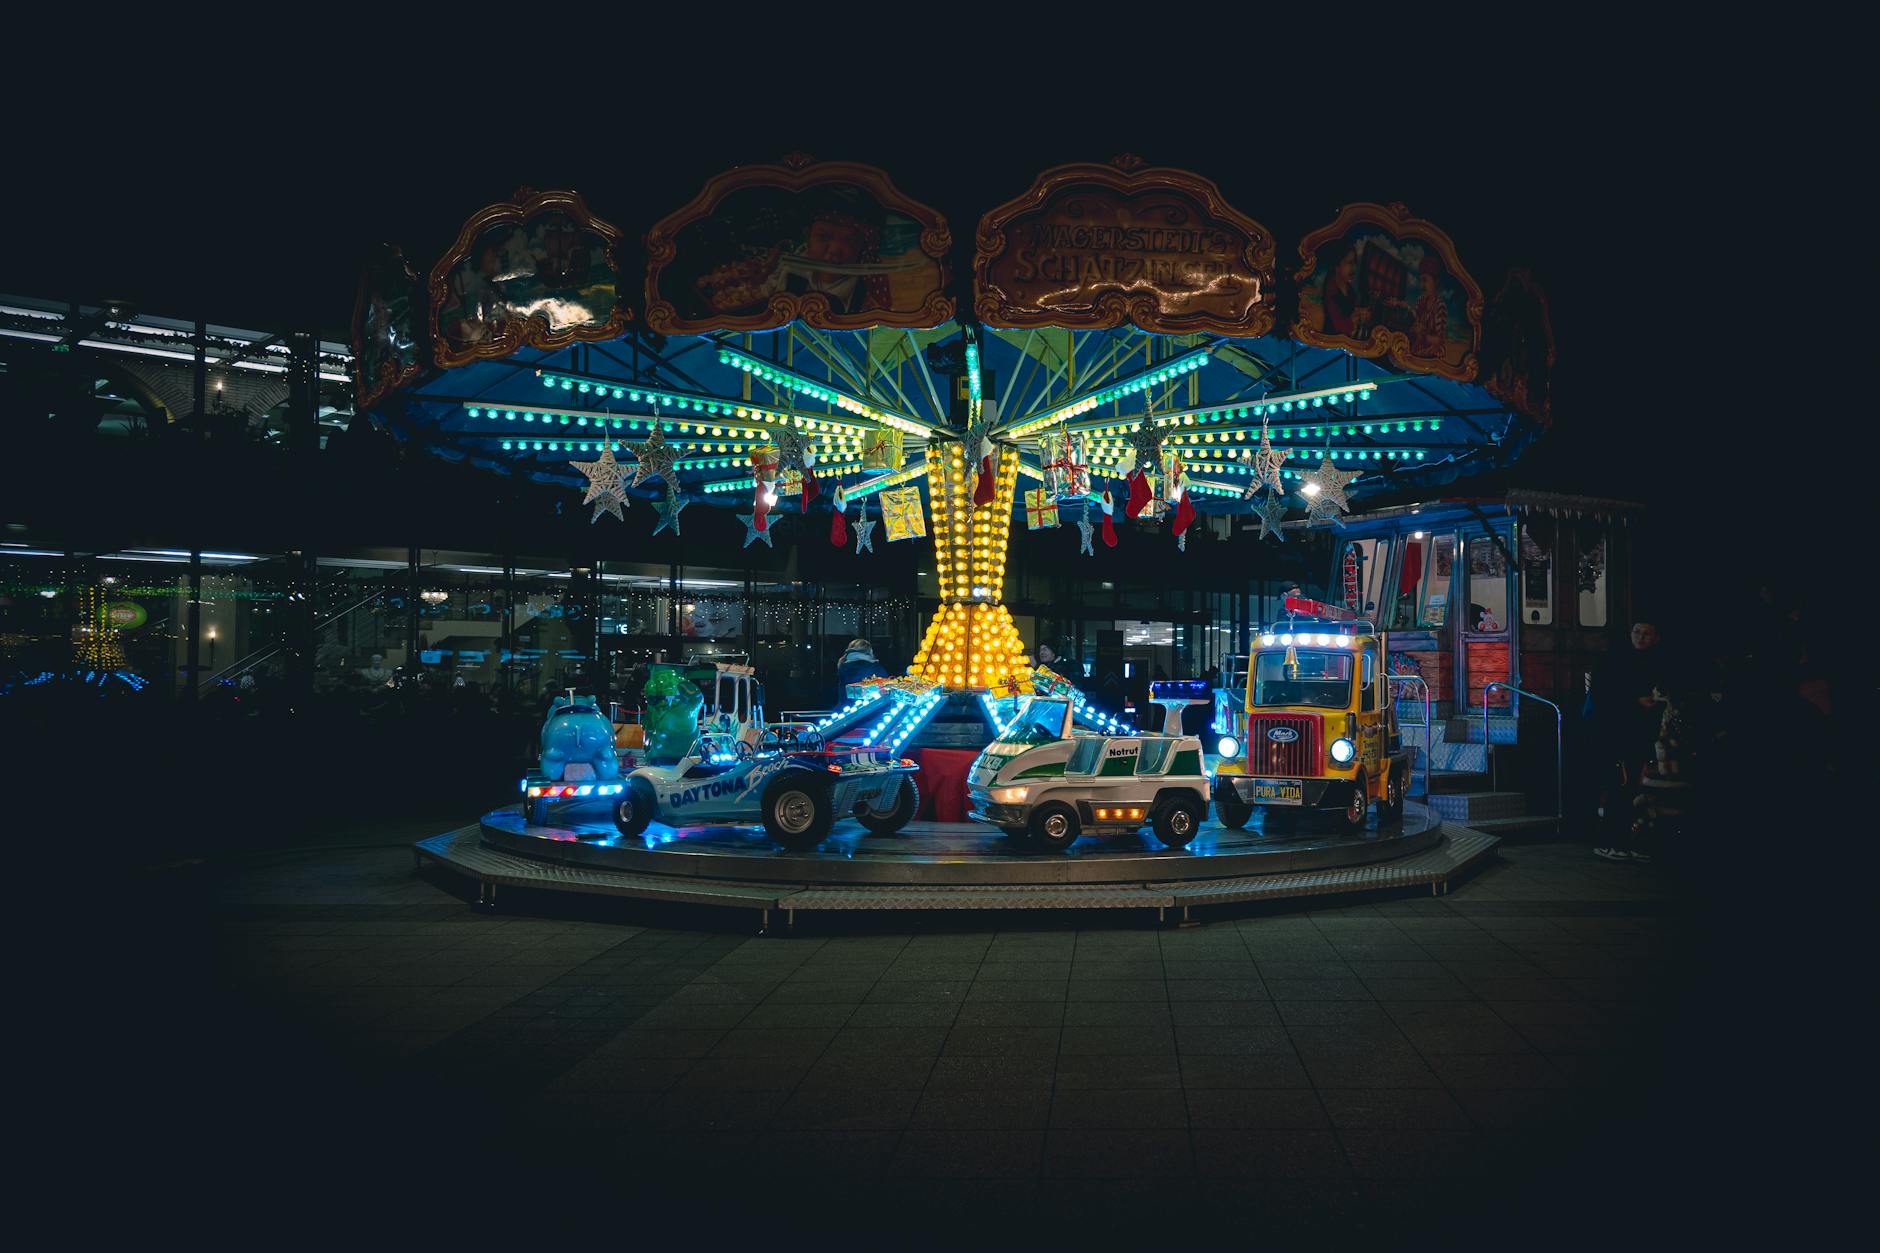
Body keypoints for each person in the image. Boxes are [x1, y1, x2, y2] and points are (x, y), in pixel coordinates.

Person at [1588, 620, 1666, 862]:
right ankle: (1612, 840)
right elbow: (1603, 695)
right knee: (1619, 786)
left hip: (1643, 737)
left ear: (1656, 637)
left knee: (1638, 789)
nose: (1641, 637)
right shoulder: (1615, 661)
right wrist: (1635, 701)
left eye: (1647, 633)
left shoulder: (1658, 664)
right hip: (1618, 736)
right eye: (1637, 632)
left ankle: (1634, 841)